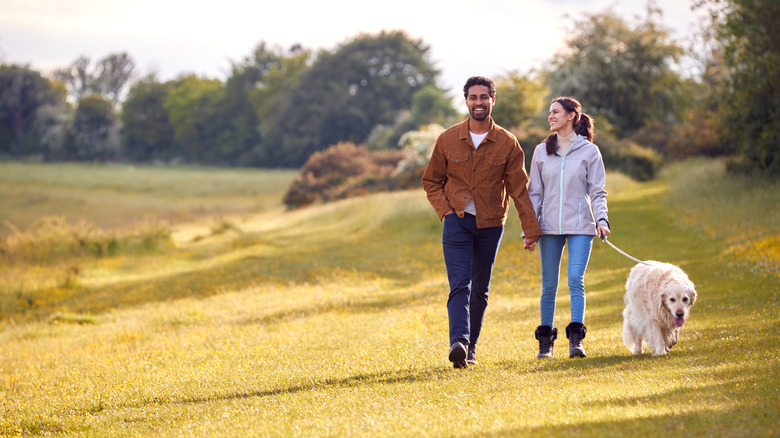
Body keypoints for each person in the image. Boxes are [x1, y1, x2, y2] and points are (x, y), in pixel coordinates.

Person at [422, 76, 542, 369]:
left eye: (484, 97)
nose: (478, 102)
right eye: (473, 97)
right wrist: (446, 213)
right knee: (459, 284)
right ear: (466, 101)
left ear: (492, 100)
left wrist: (530, 229)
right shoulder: (448, 139)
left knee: (480, 289)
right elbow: (431, 181)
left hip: (491, 224)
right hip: (457, 221)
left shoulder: (508, 143)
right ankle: (459, 343)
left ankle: (471, 347)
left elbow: (518, 189)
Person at [528, 96, 610, 359]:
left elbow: (598, 192)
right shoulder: (542, 151)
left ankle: (576, 342)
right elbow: (534, 194)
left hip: (581, 226)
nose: (550, 117)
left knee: (576, 280)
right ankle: (546, 344)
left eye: (555, 112)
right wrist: (529, 230)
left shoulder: (589, 152)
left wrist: (602, 220)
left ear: (572, 115)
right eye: (549, 113)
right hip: (549, 227)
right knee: (549, 285)